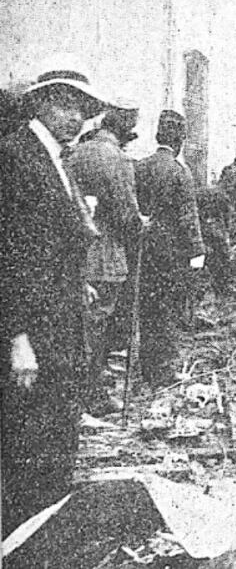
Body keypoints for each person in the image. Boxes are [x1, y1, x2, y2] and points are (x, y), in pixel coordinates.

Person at [0, 61, 110, 535]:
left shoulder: (58, 158)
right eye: (66, 105)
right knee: (29, 446)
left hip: (60, 318)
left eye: (84, 109)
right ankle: (23, 543)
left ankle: (46, 534)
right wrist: (17, 337)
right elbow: (8, 253)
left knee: (56, 438)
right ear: (40, 103)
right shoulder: (15, 155)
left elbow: (52, 239)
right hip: (34, 331)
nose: (77, 117)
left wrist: (76, 281)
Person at [66, 102, 143, 415]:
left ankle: (75, 390)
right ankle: (93, 396)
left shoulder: (75, 152)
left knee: (76, 326)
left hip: (74, 255)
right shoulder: (117, 158)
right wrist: (140, 225)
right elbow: (127, 214)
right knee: (97, 327)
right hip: (104, 256)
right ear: (124, 131)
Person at [134, 110, 205, 387]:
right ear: (180, 140)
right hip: (170, 252)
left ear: (158, 136)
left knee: (147, 308)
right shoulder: (179, 171)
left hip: (144, 247)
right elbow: (188, 217)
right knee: (167, 310)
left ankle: (147, 366)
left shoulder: (141, 166)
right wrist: (197, 251)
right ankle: (162, 369)